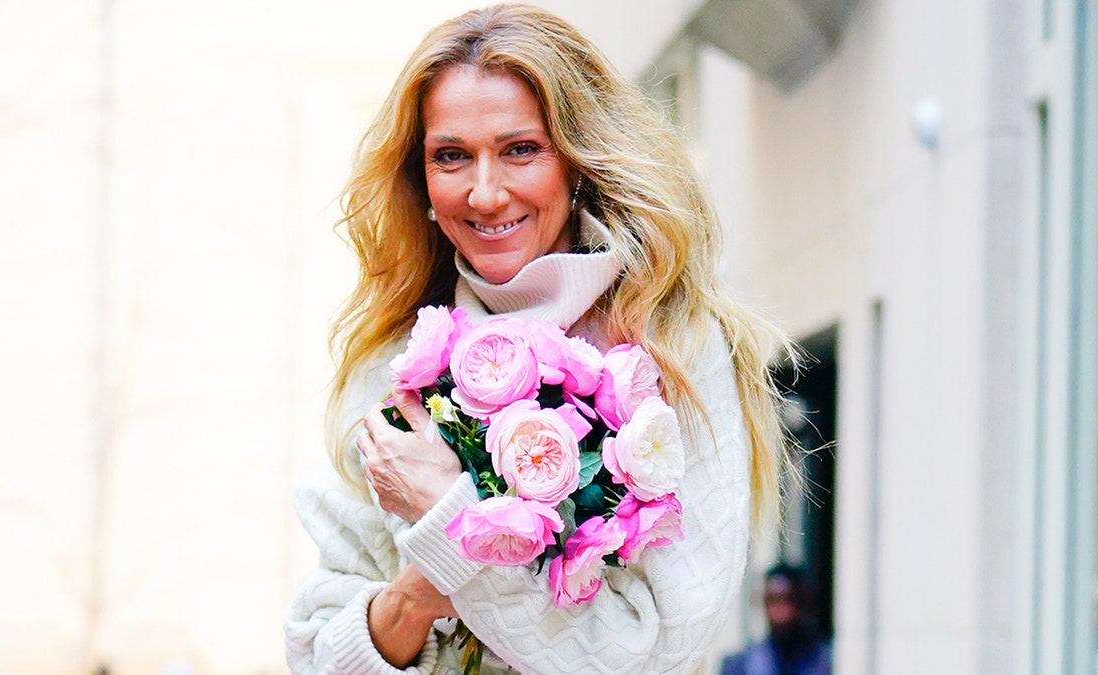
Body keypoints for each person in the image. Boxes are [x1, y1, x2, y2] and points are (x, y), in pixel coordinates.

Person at [284, 4, 792, 673]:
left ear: (577, 160)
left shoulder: (678, 347)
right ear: (423, 180)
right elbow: (319, 653)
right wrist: (410, 600)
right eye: (452, 156)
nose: (486, 192)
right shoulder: (390, 366)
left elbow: (660, 656)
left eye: (520, 149)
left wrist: (452, 524)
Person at [720, 564, 832, 675]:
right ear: (764, 603)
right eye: (773, 600)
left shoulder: (823, 661)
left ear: (802, 603)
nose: (781, 611)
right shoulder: (740, 664)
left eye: (788, 599)